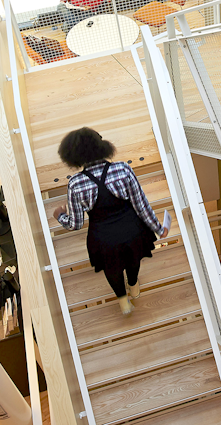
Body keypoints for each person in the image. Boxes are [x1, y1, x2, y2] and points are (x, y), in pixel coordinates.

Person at [53, 128, 168, 315]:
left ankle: (123, 302)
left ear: (73, 157)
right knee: (133, 259)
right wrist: (158, 228)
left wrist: (59, 215)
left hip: (103, 237)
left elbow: (75, 223)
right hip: (132, 230)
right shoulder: (122, 169)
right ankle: (134, 286)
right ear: (101, 146)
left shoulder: (75, 183)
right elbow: (141, 205)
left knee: (111, 268)